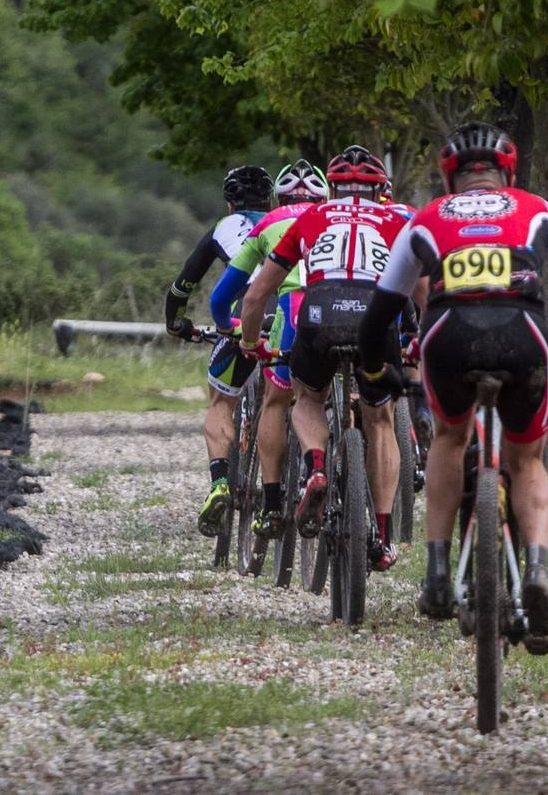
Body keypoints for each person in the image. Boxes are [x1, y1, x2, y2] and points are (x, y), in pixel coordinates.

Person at [355, 122, 548, 655]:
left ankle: (434, 571)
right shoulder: (536, 208)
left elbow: (379, 314)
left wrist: (376, 372)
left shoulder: (425, 219)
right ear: (507, 173)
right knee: (527, 461)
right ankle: (538, 570)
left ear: (450, 180)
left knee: (450, 439)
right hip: (523, 338)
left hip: (449, 337)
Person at [239, 145, 411, 571]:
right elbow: (420, 291)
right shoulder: (397, 222)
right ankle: (384, 536)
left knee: (308, 397)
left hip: (319, 314)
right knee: (381, 418)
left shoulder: (311, 218)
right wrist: (418, 337)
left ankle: (316, 465)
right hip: (376, 319)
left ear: (332, 187)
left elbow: (258, 292)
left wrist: (248, 343)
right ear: (380, 189)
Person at [203, 160, 329, 539]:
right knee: (349, 400)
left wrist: (239, 336)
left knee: (276, 402)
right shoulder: (340, 218)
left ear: (279, 198)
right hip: (351, 310)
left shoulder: (269, 224)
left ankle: (272, 506)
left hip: (291, 313)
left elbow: (225, 297)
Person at [166, 165, 273, 537]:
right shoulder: (288, 223)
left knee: (221, 403)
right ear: (270, 199)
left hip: (245, 322)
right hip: (293, 318)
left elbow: (183, 285)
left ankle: (219, 484)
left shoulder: (222, 229)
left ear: (230, 203)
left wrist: (175, 322)